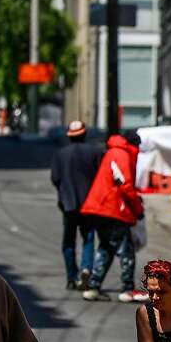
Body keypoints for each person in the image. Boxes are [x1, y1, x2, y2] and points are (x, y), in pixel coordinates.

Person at [82, 131, 146, 303]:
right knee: (126, 251)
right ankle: (127, 289)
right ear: (135, 145)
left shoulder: (113, 152)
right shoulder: (122, 154)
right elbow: (125, 185)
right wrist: (138, 209)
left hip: (100, 208)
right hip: (112, 209)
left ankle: (93, 287)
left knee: (106, 248)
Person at [50, 120, 102, 290]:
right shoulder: (95, 152)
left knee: (69, 242)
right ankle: (86, 268)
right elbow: (101, 177)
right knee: (88, 238)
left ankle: (72, 277)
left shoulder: (60, 154)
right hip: (89, 204)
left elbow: (55, 179)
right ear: (85, 134)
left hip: (68, 203)